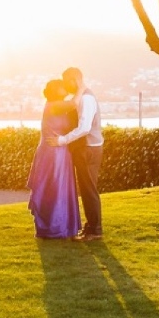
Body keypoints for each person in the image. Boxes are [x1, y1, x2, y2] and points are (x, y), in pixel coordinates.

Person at [52, 66, 103, 239]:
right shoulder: (82, 96)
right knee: (87, 188)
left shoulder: (86, 99)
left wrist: (62, 140)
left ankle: (95, 230)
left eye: (67, 81)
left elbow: (84, 128)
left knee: (89, 190)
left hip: (87, 148)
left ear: (76, 79)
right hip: (89, 147)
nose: (66, 86)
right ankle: (90, 227)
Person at [27, 78, 81, 239]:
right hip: (52, 153)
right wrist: (80, 87)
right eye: (62, 87)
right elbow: (74, 103)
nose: (65, 88)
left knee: (60, 188)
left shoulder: (57, 105)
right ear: (56, 90)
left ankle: (62, 225)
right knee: (53, 187)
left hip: (60, 151)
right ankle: (52, 227)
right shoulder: (54, 105)